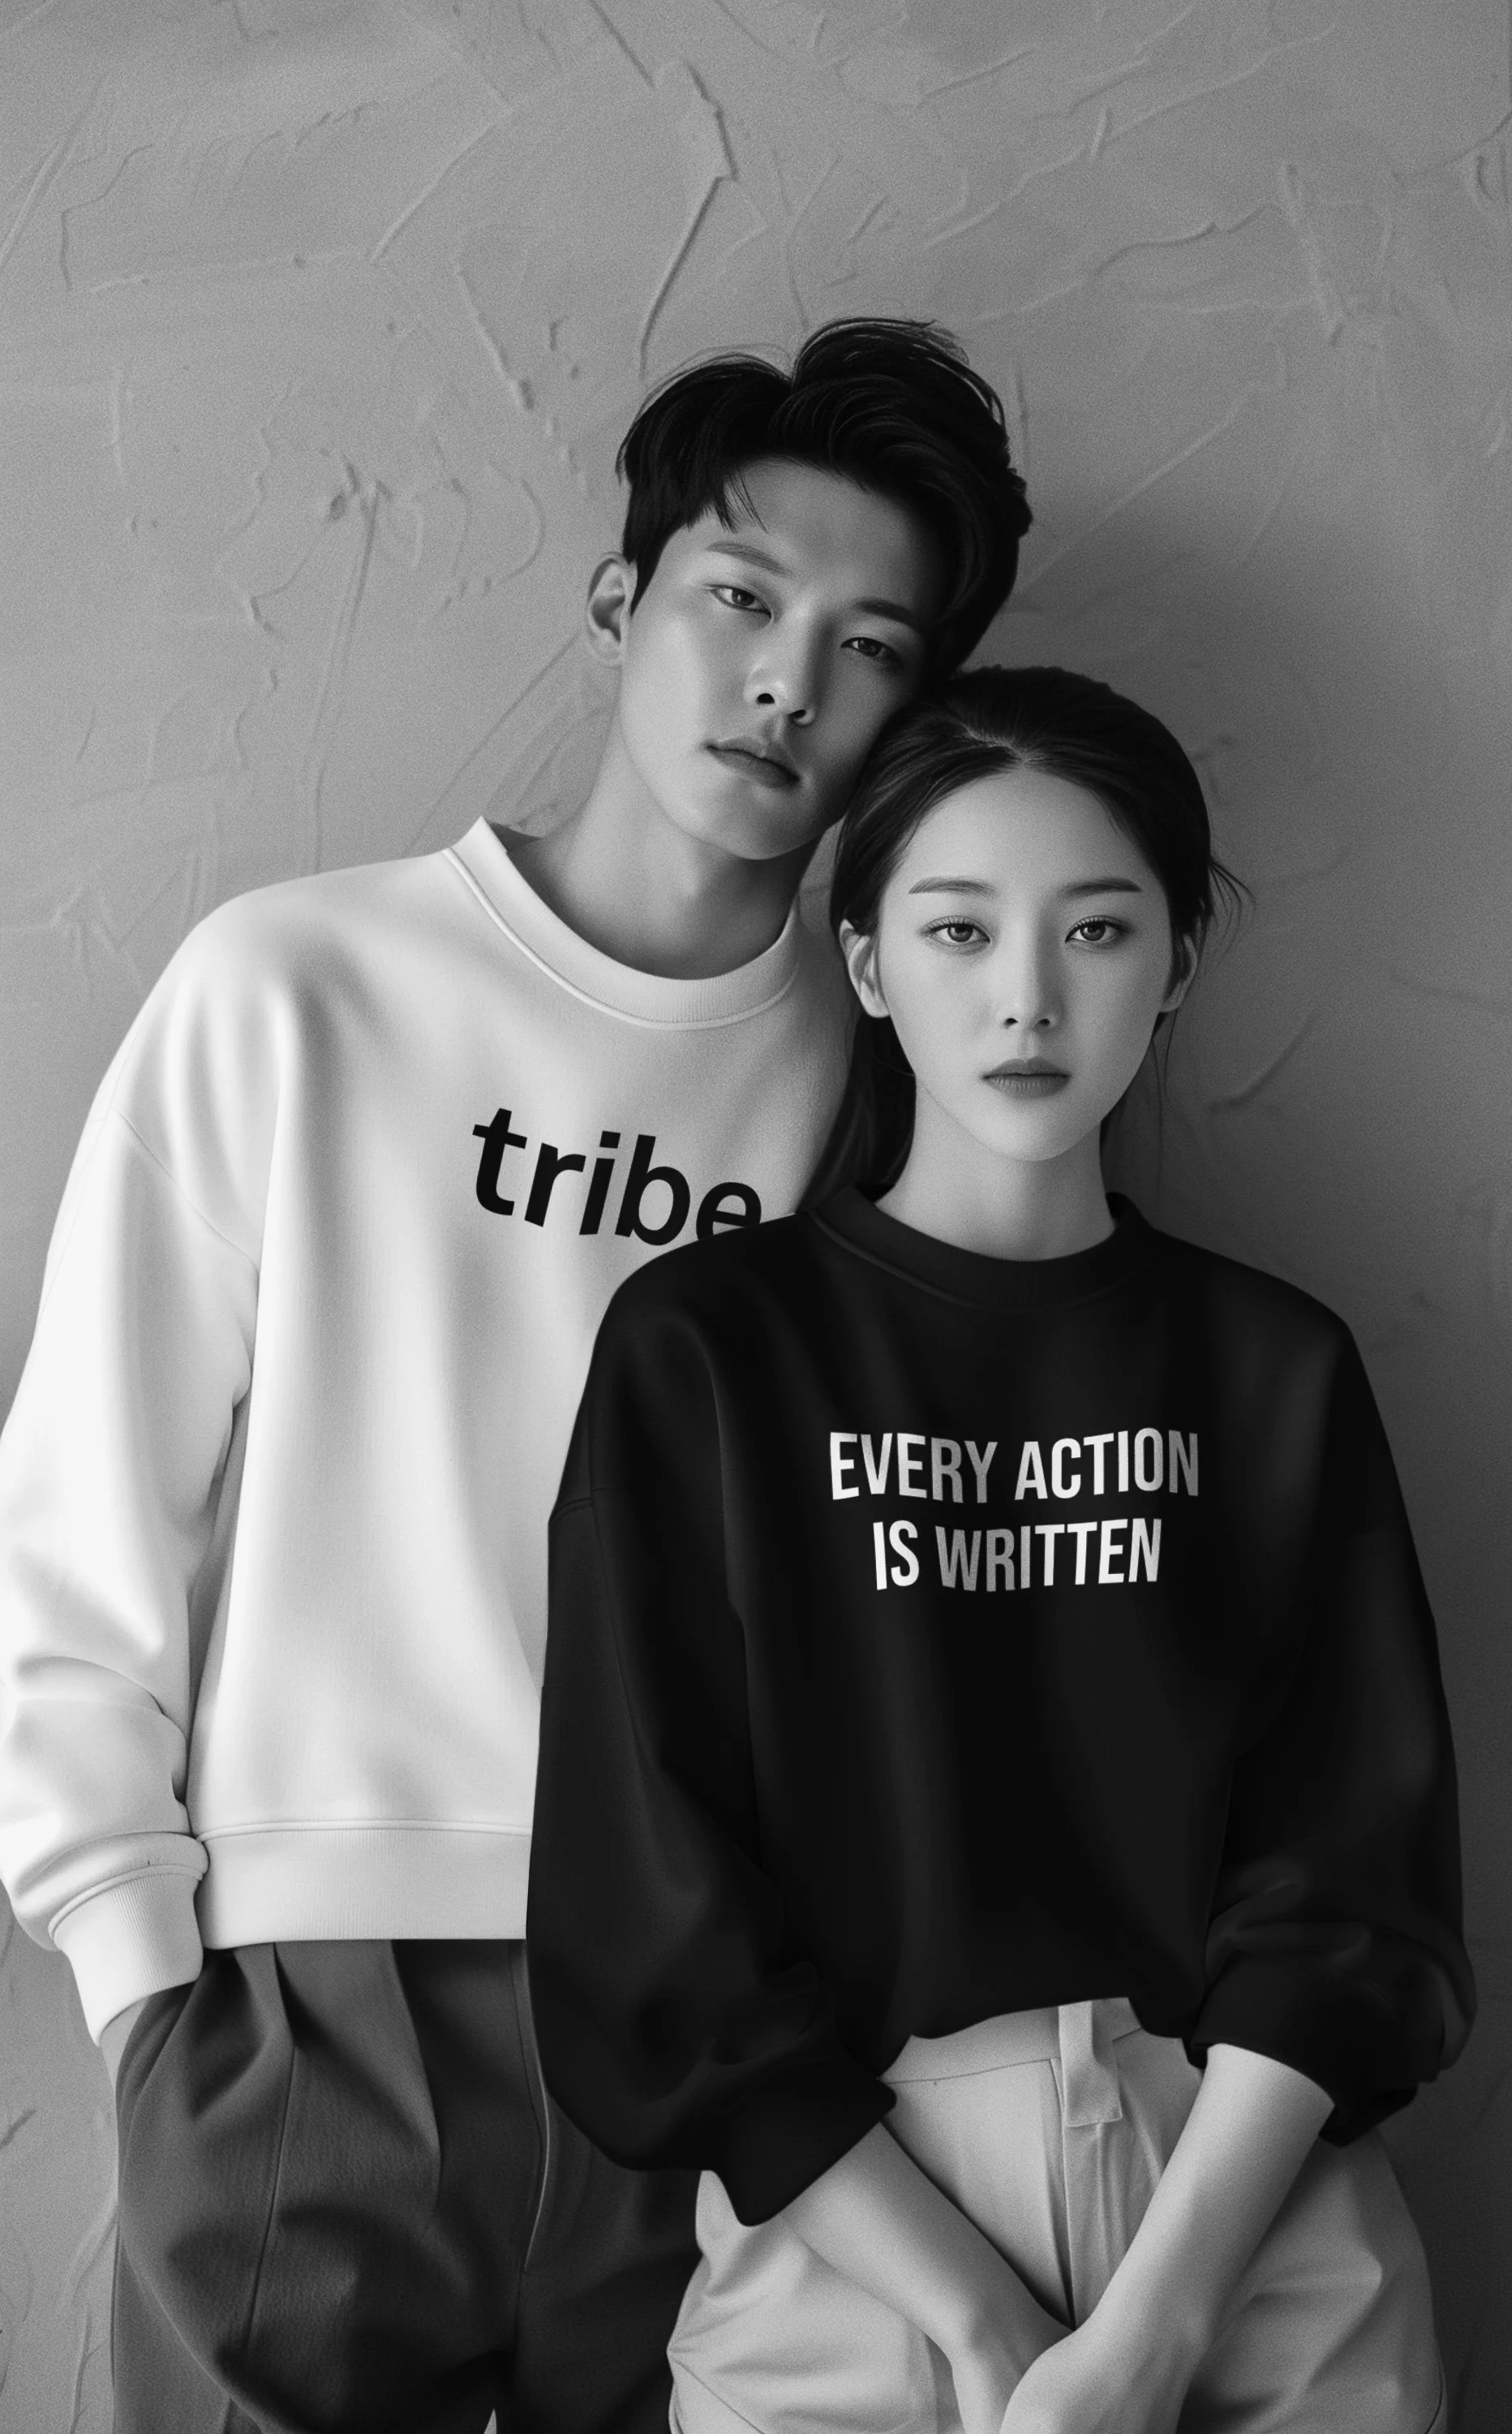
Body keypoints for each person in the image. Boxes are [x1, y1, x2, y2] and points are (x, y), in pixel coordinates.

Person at [0, 322, 1031, 2434]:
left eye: (869, 650)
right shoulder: (298, 987)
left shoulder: (901, 1103)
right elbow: (81, 1511)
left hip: (738, 2054)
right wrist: (142, 2001)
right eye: (741, 597)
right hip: (310, 2020)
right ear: (620, 600)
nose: (784, 682)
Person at [526, 664, 1475, 2434]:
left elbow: (1354, 1881)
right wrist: (975, 2327)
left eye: (1098, 931)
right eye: (957, 932)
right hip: (853, 2242)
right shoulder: (712, 1353)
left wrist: (1155, 2331)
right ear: (869, 964)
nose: (1027, 998)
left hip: (1253, 2219)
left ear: (1177, 964)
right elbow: (648, 1902)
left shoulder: (1271, 1366)